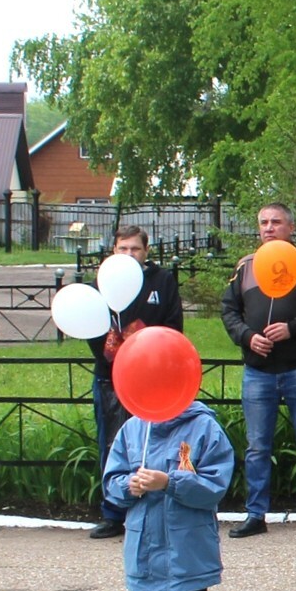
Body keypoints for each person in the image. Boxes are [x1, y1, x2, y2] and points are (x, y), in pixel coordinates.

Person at [102, 390, 233, 591]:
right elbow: (111, 482)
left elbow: (215, 486)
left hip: (188, 547)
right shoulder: (134, 428)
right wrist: (128, 486)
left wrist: (170, 482)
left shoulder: (203, 427)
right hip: (146, 546)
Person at [220, 203, 296, 538]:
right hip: (258, 370)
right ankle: (255, 514)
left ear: (291, 227)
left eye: (276, 222)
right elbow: (229, 310)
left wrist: (294, 328)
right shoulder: (245, 267)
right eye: (263, 223)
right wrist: (246, 337)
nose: (269, 228)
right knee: (257, 446)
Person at [87, 226, 185, 540]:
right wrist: (112, 348)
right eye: (123, 249)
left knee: (156, 444)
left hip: (155, 379)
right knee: (114, 444)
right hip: (111, 378)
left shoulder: (162, 281)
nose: (129, 255)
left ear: (146, 251)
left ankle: (155, 508)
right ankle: (113, 511)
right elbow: (92, 328)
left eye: (135, 249)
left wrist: (141, 340)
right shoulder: (102, 281)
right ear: (113, 251)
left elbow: (173, 327)